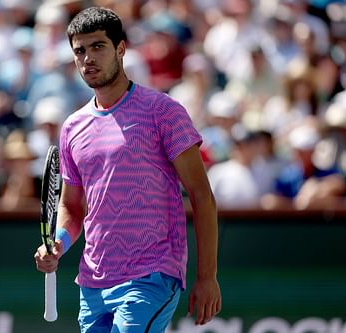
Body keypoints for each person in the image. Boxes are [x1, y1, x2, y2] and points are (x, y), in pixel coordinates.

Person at [34, 7, 221, 333]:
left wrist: (207, 277)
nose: (88, 58)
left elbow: (201, 195)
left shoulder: (164, 112)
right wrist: (59, 243)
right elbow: (71, 208)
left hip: (152, 273)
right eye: (80, 51)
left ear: (121, 49)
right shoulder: (72, 127)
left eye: (98, 47)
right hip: (93, 281)